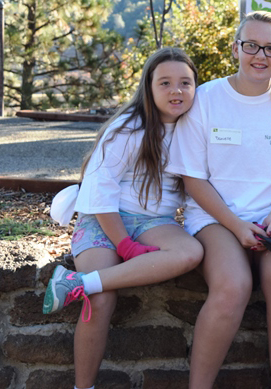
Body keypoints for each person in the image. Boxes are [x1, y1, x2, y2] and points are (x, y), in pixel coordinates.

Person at [42, 47, 204, 389]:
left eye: (185, 83)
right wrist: (124, 245)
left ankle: (77, 284)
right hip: (104, 218)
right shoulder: (128, 127)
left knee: (190, 252)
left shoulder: (196, 129)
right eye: (165, 83)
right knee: (101, 300)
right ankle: (82, 386)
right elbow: (100, 193)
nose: (176, 90)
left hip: (153, 221)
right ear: (148, 87)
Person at [166, 11, 271, 389]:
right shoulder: (207, 99)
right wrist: (236, 225)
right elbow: (194, 181)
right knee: (233, 286)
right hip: (216, 218)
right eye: (251, 45)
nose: (259, 55)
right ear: (235, 48)